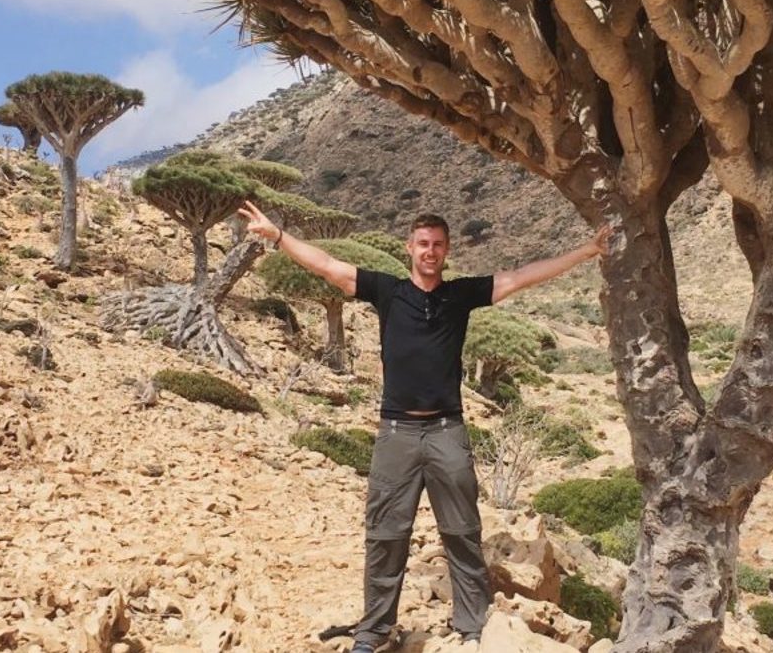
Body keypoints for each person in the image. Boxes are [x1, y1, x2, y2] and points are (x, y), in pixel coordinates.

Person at [236, 201, 611, 652]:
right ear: (409, 248)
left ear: (446, 251)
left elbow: (522, 276)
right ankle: (374, 631)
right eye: (423, 244)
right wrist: (277, 236)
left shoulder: (460, 295)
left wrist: (586, 252)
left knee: (462, 530)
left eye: (437, 245)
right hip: (396, 432)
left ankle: (473, 626)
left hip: (447, 431)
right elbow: (330, 267)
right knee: (386, 534)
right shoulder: (388, 291)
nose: (430, 252)